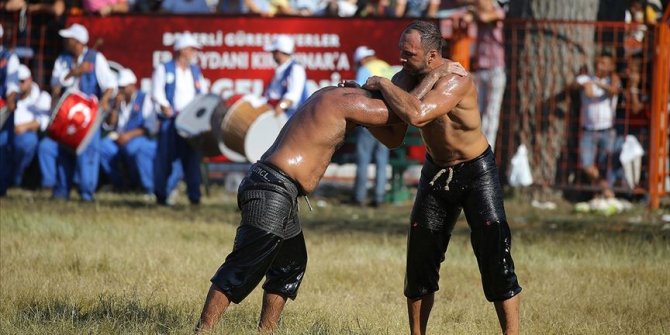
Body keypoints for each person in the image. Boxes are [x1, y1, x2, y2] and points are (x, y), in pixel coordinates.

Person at [194, 61, 467, 333]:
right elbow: (403, 114)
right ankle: (202, 330)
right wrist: (433, 76)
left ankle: (267, 330)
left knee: (290, 265)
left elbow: (393, 137)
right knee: (244, 264)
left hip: (276, 187)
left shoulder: (333, 94)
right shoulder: (350, 103)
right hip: (273, 188)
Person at [357, 20, 521, 335]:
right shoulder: (404, 78)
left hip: (476, 170)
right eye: (401, 52)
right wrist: (360, 110)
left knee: (495, 254)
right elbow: (394, 138)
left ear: (433, 57)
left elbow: (418, 114)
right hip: (436, 171)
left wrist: (384, 85)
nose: (402, 59)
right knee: (420, 258)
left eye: (410, 54)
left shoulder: (455, 79)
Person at [50, 23, 117, 201]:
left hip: (87, 116)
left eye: (69, 39)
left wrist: (103, 101)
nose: (66, 42)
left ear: (78, 41)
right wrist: (74, 73)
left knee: (88, 153)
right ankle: (61, 191)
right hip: (66, 114)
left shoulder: (96, 58)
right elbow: (56, 83)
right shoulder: (62, 59)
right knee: (64, 152)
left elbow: (110, 85)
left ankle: (86, 192)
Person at [151, 33, 206, 206]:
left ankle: (194, 197)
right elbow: (156, 92)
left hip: (190, 122)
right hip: (170, 120)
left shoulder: (196, 71)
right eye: (191, 49)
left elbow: (202, 93)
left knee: (192, 159)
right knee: (165, 159)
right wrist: (164, 105)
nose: (194, 53)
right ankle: (161, 195)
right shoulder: (164, 68)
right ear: (181, 50)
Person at [100, 68, 157, 197]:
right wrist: (115, 108)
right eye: (119, 87)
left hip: (139, 137)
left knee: (132, 149)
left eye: (123, 87)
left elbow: (149, 127)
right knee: (102, 147)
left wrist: (128, 136)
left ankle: (146, 187)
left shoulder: (144, 98)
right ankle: (119, 184)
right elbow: (110, 125)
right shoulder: (118, 101)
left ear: (132, 86)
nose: (120, 91)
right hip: (119, 138)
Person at [351, 45, 393, 207]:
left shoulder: (365, 69)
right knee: (382, 160)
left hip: (370, 119)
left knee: (363, 158)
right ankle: (379, 196)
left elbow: (359, 95)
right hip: (388, 118)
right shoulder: (386, 67)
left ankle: (359, 196)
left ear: (361, 59)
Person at [574, 52, 621, 199]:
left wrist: (598, 84)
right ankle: (605, 190)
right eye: (599, 62)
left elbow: (614, 90)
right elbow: (577, 86)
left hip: (607, 129)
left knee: (606, 164)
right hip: (588, 130)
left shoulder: (612, 81)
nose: (600, 66)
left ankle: (600, 193)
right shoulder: (586, 78)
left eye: (605, 64)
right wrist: (587, 84)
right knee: (587, 164)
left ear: (611, 66)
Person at [468, 0, 506, 152]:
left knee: (491, 113)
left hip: (496, 68)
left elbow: (485, 17)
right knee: (478, 112)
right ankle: (477, 148)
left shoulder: (498, 12)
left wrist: (474, 12)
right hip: (481, 68)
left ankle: (487, 150)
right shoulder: (478, 12)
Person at [11, 65, 52, 187]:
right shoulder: (11, 96)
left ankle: (17, 177)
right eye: (16, 81)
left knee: (28, 141)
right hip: (10, 134)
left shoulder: (41, 96)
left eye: (22, 81)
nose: (19, 84)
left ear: (30, 79)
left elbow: (42, 122)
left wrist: (23, 127)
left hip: (27, 136)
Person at [263, 34, 308, 118]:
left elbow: (292, 97)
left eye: (273, 52)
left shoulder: (296, 69)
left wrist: (280, 107)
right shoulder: (281, 70)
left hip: (292, 120)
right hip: (278, 116)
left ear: (279, 52)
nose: (272, 55)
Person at [0, 24, 21, 197]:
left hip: (2, 109)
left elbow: (12, 85)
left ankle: (1, 187)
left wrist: (11, 100)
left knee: (3, 147)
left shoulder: (9, 58)